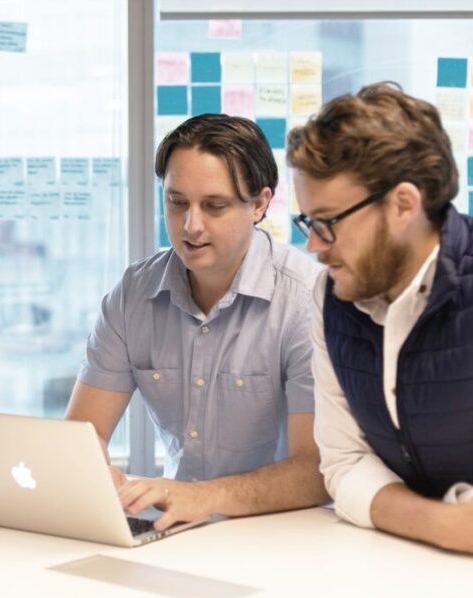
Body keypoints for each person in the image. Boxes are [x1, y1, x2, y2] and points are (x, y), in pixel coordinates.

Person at [287, 82, 473, 559]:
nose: (314, 246)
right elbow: (342, 465)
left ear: (403, 205)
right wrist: (444, 523)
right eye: (307, 223)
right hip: (424, 565)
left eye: (327, 222)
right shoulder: (333, 295)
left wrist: (390, 507)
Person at [65, 114, 329, 531]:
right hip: (175, 529)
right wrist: (98, 474)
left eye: (214, 206)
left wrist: (206, 496)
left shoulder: (306, 300)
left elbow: (315, 470)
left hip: (283, 536)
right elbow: (84, 433)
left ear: (260, 204)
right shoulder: (134, 294)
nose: (191, 226)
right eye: (176, 202)